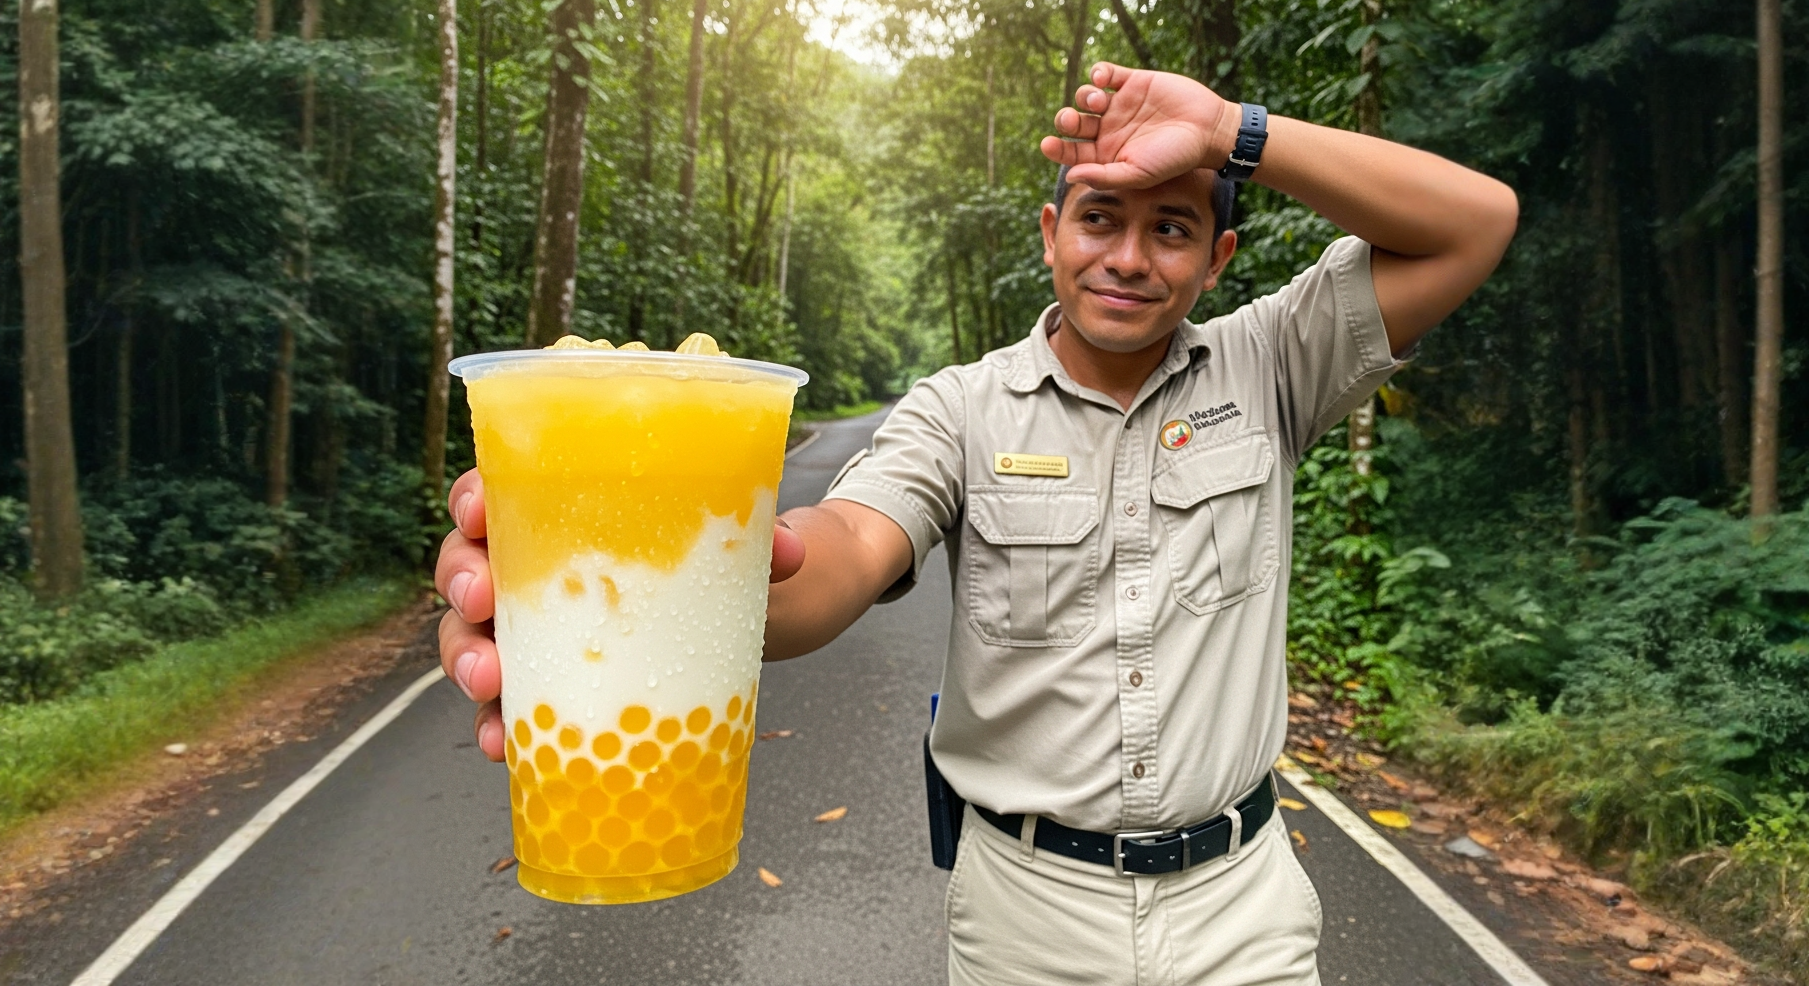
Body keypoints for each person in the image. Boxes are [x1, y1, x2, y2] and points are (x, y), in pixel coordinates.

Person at [436, 63, 1518, 985]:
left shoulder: (1272, 361)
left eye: (1171, 228)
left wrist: (1234, 129)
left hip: (1242, 910)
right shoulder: (960, 409)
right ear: (1052, 234)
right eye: (1100, 218)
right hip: (1026, 919)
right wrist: (660, 577)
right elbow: (845, 550)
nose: (1128, 257)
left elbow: (1475, 224)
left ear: (1217, 258)